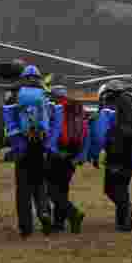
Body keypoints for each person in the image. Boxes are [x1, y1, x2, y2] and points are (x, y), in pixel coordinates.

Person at [80, 79, 132, 231]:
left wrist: (94, 154)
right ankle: (123, 221)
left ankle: (129, 213)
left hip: (117, 153)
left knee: (111, 189)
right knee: (122, 187)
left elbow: (100, 133)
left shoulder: (110, 104)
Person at [3, 64, 54, 237]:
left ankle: (26, 226)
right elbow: (52, 120)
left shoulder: (14, 95)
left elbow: (10, 122)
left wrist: (16, 143)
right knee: (40, 183)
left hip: (23, 145)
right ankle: (44, 212)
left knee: (23, 187)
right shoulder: (45, 94)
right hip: (40, 145)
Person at [44, 85, 87, 233]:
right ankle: (59, 223)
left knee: (51, 190)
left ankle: (73, 213)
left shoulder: (56, 109)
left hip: (58, 153)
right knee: (62, 189)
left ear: (55, 96)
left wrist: (53, 150)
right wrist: (80, 155)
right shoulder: (77, 109)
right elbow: (85, 133)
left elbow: (52, 132)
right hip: (73, 153)